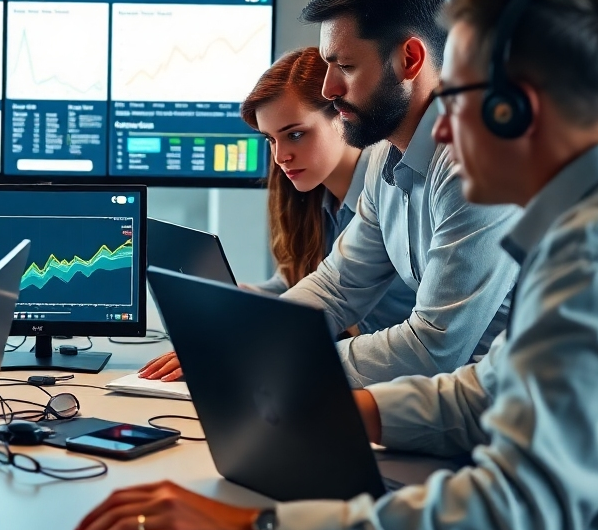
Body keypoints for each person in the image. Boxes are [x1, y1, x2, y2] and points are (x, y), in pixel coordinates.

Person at [70, 0, 598, 530]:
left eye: (453, 100)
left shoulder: (594, 259)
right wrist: (341, 406)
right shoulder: (574, 234)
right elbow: (484, 391)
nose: (444, 134)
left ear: (515, 108)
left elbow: (509, 523)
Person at [142, 0, 520, 389]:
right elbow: (337, 286)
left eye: (346, 67)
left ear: (410, 59)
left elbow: (433, 347)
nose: (328, 89)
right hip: (451, 405)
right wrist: (246, 337)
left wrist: (267, 355)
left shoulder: (477, 162)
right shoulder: (385, 158)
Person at [139, 47, 416, 381]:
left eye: (295, 135)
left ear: (344, 115)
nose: (281, 156)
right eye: (271, 140)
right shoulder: (317, 200)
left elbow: (405, 331)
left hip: (403, 385)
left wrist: (259, 342)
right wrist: (245, 302)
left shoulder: (393, 192)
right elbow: (298, 281)